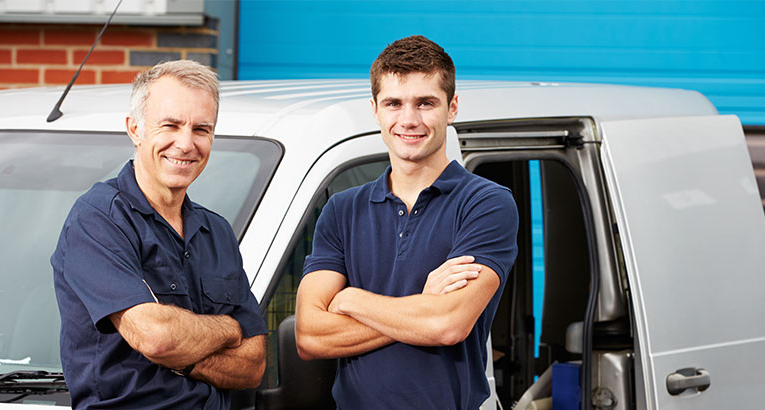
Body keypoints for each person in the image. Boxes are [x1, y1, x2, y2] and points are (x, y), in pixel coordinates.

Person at [295, 36, 518, 409]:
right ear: (376, 110)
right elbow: (310, 335)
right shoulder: (342, 210)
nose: (409, 120)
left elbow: (446, 326)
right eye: (394, 103)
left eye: (425, 103)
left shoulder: (486, 204)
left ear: (452, 108)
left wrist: (350, 299)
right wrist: (421, 304)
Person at [52, 60, 267, 409]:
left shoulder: (217, 232)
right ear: (134, 129)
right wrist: (228, 330)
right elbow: (158, 338)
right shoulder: (97, 220)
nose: (186, 144)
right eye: (170, 125)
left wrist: (184, 351)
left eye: (201, 129)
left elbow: (253, 364)